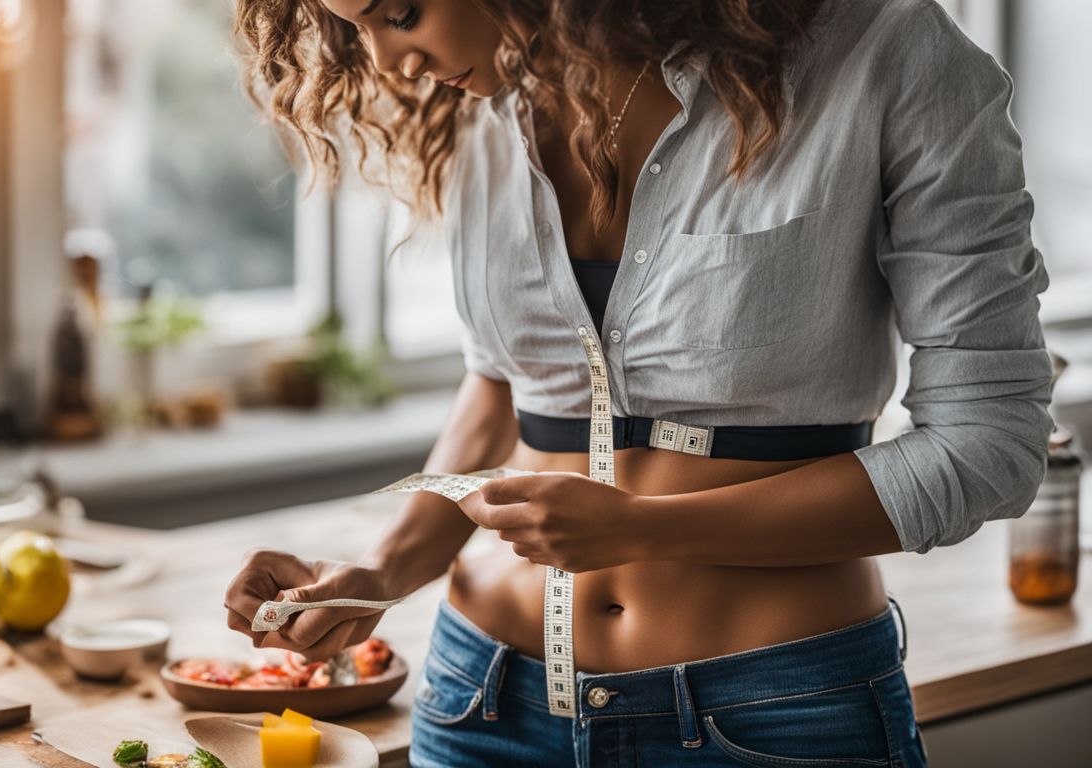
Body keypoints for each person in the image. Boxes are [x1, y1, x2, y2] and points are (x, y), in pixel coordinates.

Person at [223, 0, 1053, 765]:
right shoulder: (483, 99)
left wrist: (645, 529)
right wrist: (383, 571)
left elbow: (989, 448)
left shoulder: (881, 53)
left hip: (773, 713)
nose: (391, 60)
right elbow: (510, 385)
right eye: (354, 27)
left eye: (402, 13)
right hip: (484, 701)